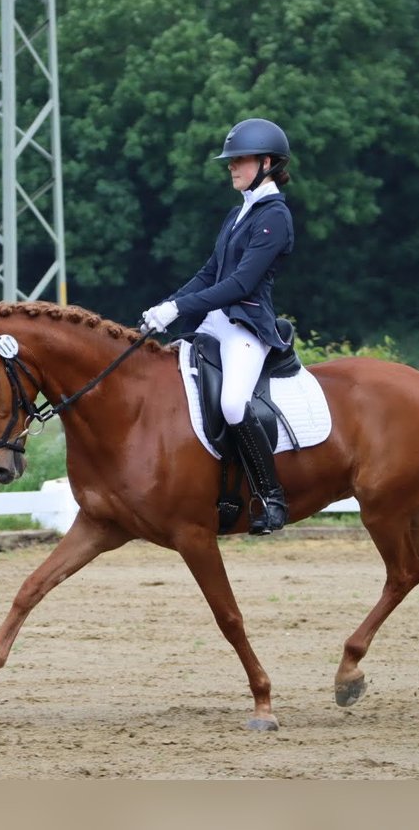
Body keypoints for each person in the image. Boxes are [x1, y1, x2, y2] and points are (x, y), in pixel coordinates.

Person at [141, 117, 295, 534]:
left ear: (266, 162)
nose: (231, 167)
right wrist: (167, 306)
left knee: (231, 403)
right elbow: (211, 272)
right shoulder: (238, 213)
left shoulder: (274, 216)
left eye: (239, 160)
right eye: (231, 161)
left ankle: (271, 497)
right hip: (212, 324)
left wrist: (180, 308)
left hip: (245, 327)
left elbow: (241, 283)